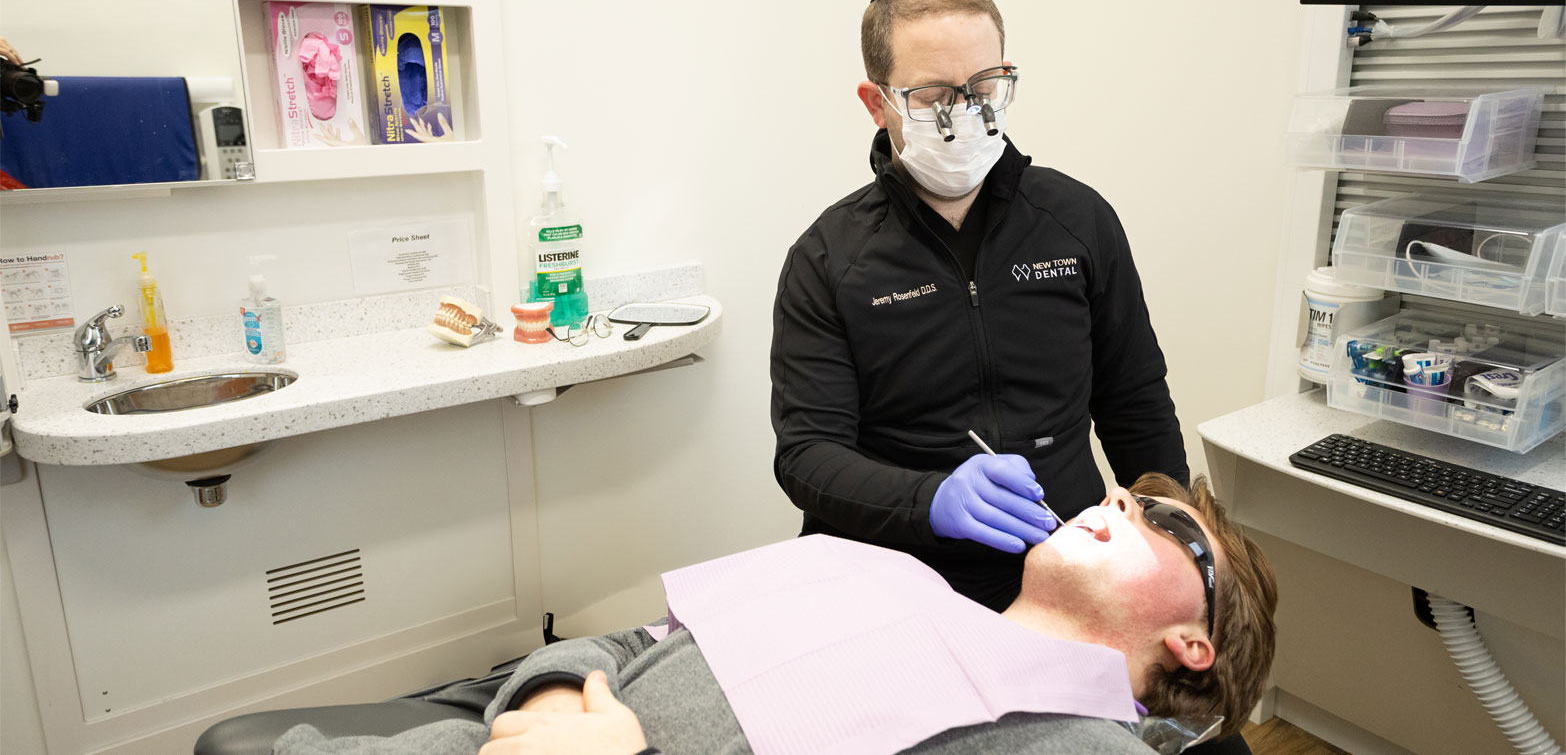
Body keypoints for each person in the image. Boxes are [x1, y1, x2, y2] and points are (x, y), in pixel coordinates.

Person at [270, 473, 1277, 755]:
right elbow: (622, 642)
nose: (1115, 503)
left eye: (1163, 526)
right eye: (1127, 494)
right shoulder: (877, 573)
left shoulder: (1080, 746)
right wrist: (551, 696)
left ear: (1191, 642)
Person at [770, 0, 1188, 617]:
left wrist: (1177, 538)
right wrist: (930, 501)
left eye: (985, 87)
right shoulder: (827, 259)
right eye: (933, 95)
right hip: (898, 578)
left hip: (1063, 567)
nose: (963, 112)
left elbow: (1135, 400)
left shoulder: (1078, 223)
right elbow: (808, 456)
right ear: (877, 104)